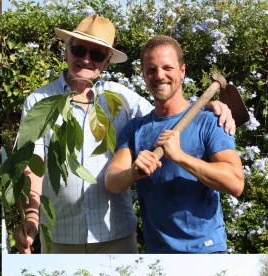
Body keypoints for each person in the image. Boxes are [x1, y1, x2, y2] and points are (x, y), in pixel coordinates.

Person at [14, 16, 234, 254]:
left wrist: (205, 107)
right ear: (66, 51)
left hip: (116, 233)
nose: (86, 59)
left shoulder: (122, 99)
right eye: (78, 49)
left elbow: (167, 114)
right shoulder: (39, 102)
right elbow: (32, 164)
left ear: (106, 63)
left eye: (97, 55)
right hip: (60, 232)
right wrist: (32, 217)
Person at [105, 35, 245, 253]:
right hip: (157, 252)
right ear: (143, 75)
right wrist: (132, 172)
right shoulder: (135, 128)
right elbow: (112, 182)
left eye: (167, 68)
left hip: (206, 251)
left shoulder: (210, 122)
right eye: (151, 70)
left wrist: (179, 156)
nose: (159, 76)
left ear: (182, 71)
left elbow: (235, 183)